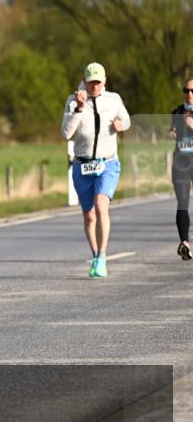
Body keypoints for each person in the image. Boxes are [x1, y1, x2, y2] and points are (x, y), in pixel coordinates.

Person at [61, 62, 130, 278]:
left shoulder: (114, 99)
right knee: (89, 216)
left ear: (104, 81)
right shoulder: (73, 101)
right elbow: (66, 133)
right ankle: (95, 255)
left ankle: (102, 257)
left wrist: (122, 126)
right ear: (84, 81)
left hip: (107, 163)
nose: (94, 86)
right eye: (91, 82)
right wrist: (79, 110)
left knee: (101, 206)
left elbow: (126, 119)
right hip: (82, 166)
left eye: (98, 82)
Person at [168, 78, 193, 261]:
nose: (189, 94)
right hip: (181, 162)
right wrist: (172, 133)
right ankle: (185, 242)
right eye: (186, 90)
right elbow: (172, 131)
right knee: (182, 201)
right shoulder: (177, 112)